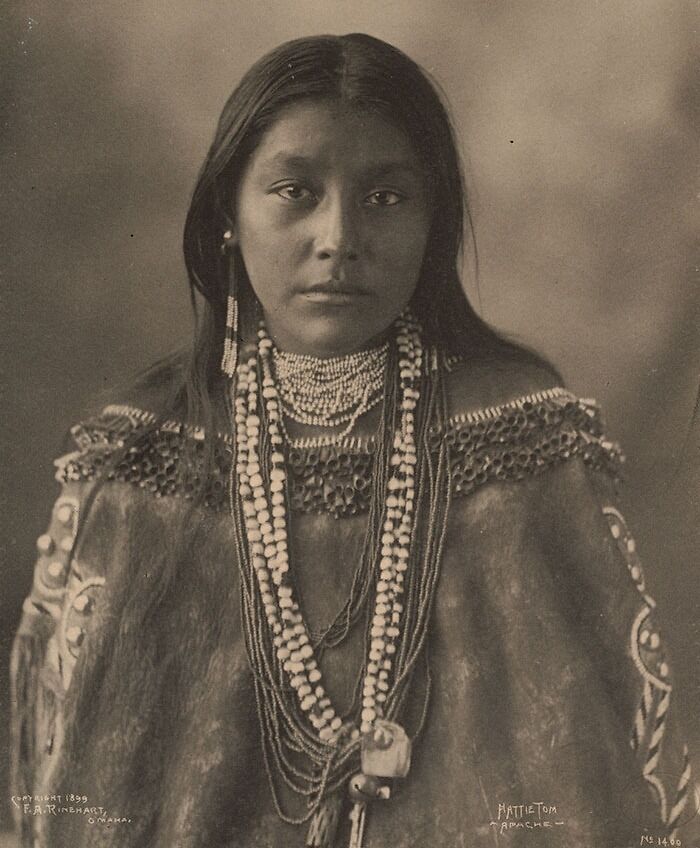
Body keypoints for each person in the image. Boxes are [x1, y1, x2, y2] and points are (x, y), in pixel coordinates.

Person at [10, 33, 697, 848]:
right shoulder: (136, 469)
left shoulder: (525, 443)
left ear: (433, 220)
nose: (340, 237)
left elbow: (610, 781)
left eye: (385, 198)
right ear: (228, 215)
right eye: (296, 191)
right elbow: (59, 783)